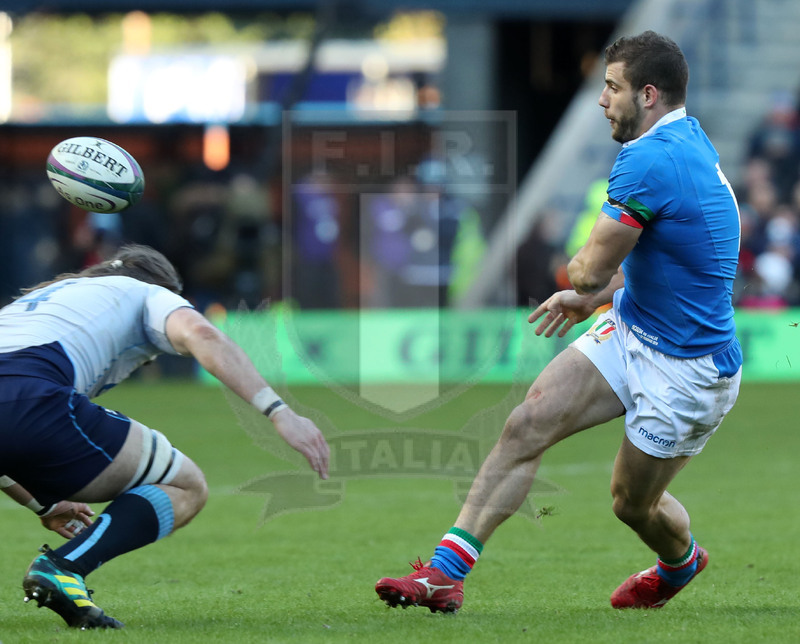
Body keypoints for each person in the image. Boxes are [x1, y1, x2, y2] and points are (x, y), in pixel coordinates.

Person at [375, 30, 742, 613]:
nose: (602, 100)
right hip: (634, 326)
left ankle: (681, 562)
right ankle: (445, 573)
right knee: (528, 422)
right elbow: (675, 260)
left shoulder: (648, 159)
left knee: (631, 504)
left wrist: (584, 284)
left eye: (612, 87)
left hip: (688, 369)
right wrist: (594, 298)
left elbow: (587, 271)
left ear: (648, 95)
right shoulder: (686, 139)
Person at [0, 244, 330, 629]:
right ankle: (64, 566)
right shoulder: (146, 294)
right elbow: (202, 333)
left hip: (21, 404)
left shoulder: (38, 302)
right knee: (185, 485)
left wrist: (44, 505)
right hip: (31, 396)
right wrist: (279, 412)